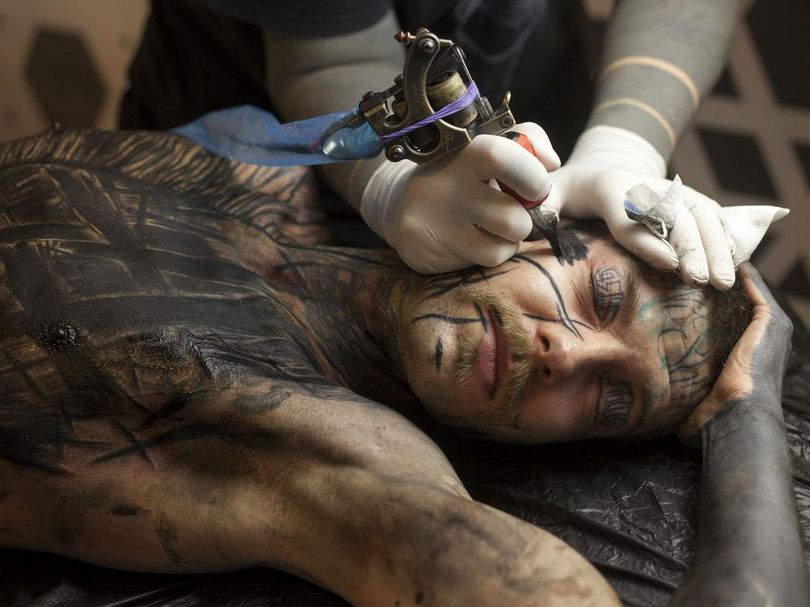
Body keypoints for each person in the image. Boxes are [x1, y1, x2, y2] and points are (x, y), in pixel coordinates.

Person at [1, 126, 804, 607]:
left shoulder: (341, 458)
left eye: (613, 401)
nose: (568, 354)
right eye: (602, 295)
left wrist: (748, 416)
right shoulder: (266, 175)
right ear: (542, 220)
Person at [120, 0, 751, 285]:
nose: (558, 354)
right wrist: (387, 185)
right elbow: (329, 57)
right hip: (244, 161)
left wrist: (625, 141)